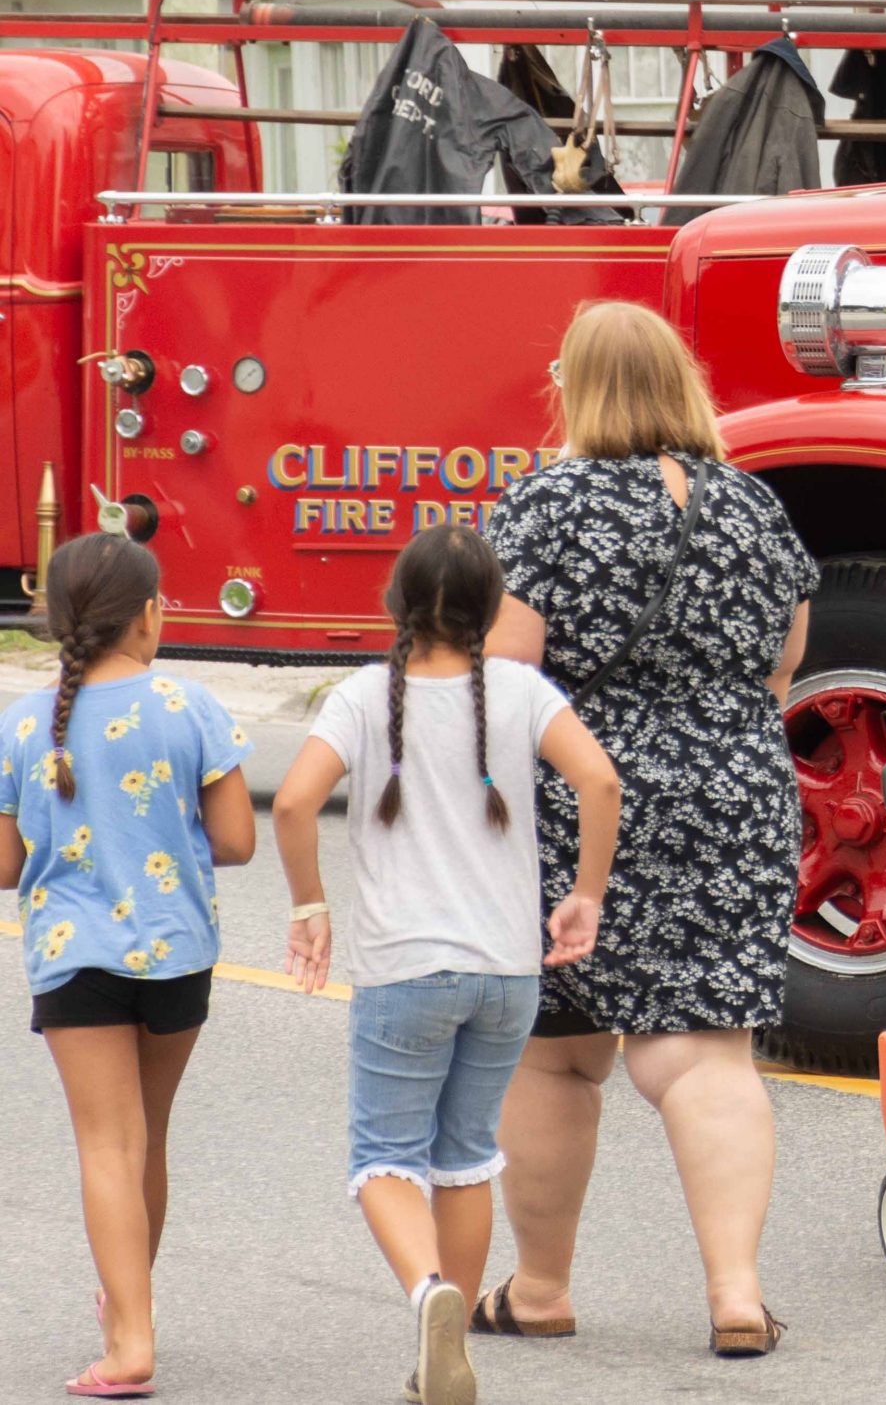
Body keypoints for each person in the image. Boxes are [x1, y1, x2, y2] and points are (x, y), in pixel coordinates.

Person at [480, 301, 817, 1358]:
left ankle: (540, 1287)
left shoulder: (544, 507)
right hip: (735, 790)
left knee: (555, 1057)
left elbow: (506, 677)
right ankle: (734, 1293)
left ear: (575, 389)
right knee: (708, 1054)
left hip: (581, 799)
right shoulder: (753, 506)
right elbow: (783, 661)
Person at [270, 526, 622, 1405]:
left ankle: (430, 1295)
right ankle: (448, 1352)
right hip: (507, 971)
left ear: (395, 604)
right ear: (493, 610)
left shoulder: (361, 695)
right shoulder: (520, 689)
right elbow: (601, 782)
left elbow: (296, 801)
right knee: (464, 1157)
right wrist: (586, 893)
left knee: (384, 1157)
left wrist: (310, 905)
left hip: (403, 971)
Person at [0, 533, 255, 1399]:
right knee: (146, 1133)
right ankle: (125, 1311)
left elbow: (4, 862)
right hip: (179, 950)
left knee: (108, 1144)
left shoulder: (24, 721)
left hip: (76, 960)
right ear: (149, 613)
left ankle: (130, 1336)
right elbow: (236, 839)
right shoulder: (191, 705)